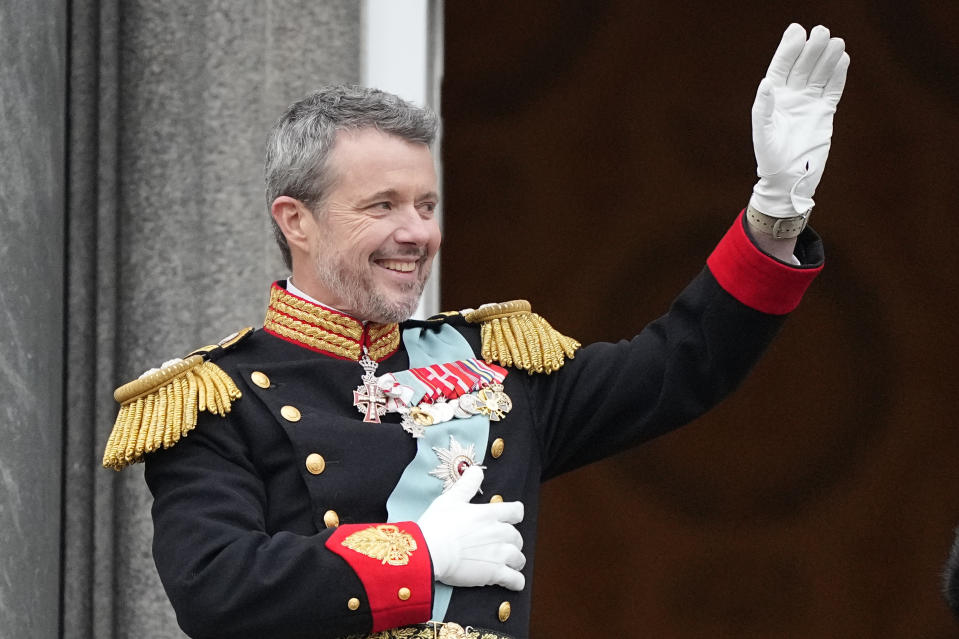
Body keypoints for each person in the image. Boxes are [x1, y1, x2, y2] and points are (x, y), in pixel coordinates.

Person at [102, 23, 849, 639]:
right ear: (295, 220)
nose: (415, 233)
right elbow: (217, 589)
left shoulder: (496, 365)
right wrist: (418, 556)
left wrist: (773, 214)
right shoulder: (215, 400)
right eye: (382, 206)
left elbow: (679, 367)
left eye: (426, 205)